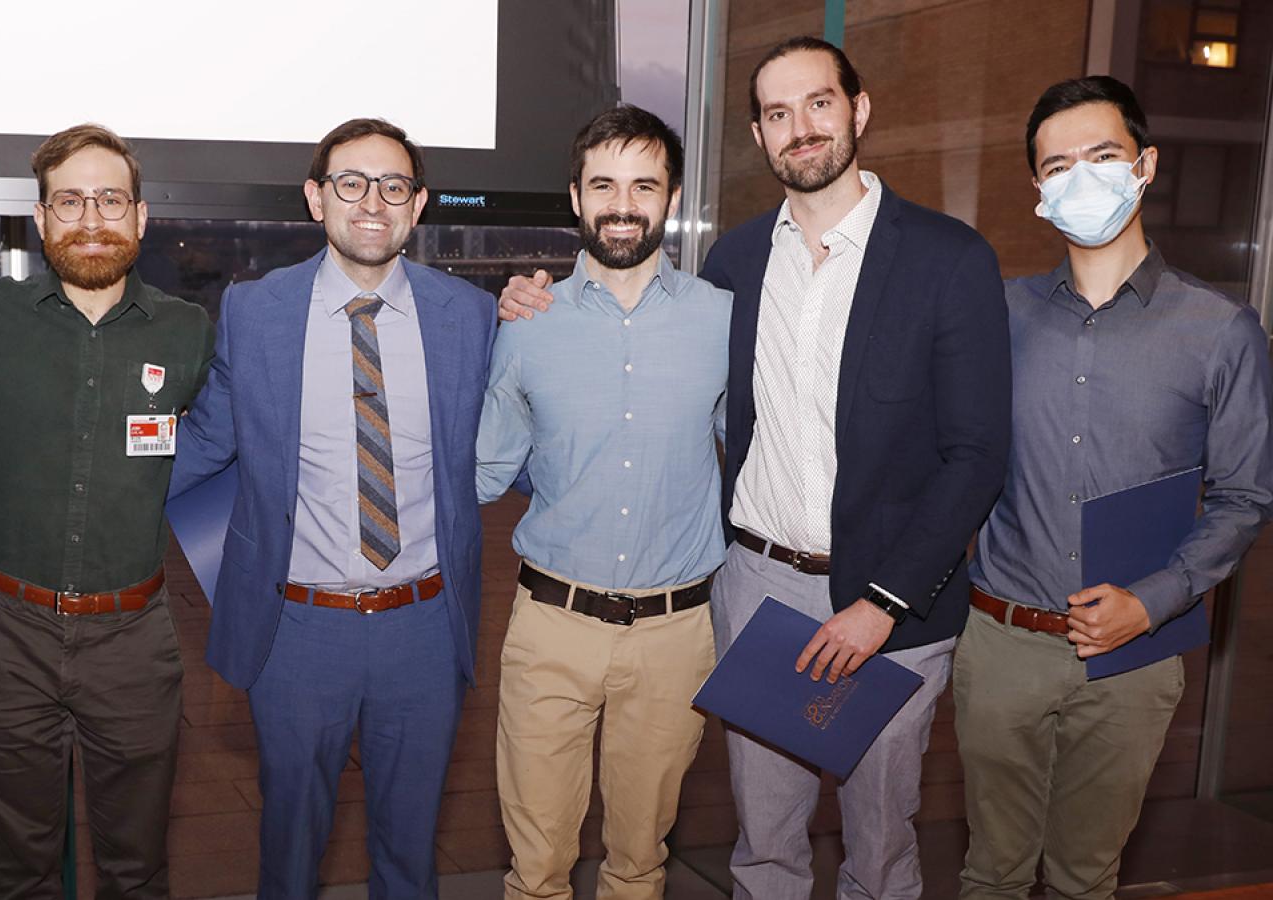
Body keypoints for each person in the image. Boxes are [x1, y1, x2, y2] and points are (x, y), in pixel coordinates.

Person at [499, 36, 1012, 899]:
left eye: (819, 103)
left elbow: (977, 454)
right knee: (764, 846)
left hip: (891, 606)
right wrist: (530, 300)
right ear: (759, 134)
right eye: (779, 113)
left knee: (881, 853)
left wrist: (883, 603)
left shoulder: (948, 258)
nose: (801, 127)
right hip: (756, 598)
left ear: (860, 109)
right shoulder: (735, 266)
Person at [956, 75, 1273, 900]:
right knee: (990, 872)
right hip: (1002, 641)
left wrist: (1157, 597)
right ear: (1037, 190)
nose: (1080, 177)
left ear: (1146, 165)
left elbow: (1245, 496)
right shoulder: (996, 316)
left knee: (1086, 877)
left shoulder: (1219, 330)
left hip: (1136, 652)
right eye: (1057, 166)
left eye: (1101, 155)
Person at [167, 117, 496, 898]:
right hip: (297, 633)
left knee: (410, 854)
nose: (372, 202)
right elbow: (206, 439)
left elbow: (521, 431)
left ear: (417, 205)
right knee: (289, 847)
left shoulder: (472, 317)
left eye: (393, 185)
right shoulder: (255, 311)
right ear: (317, 198)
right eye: (351, 182)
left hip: (424, 624)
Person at [476, 105, 729, 899]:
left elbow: (766, 457)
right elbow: (482, 471)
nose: (624, 203)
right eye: (605, 184)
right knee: (537, 868)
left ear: (672, 197)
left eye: (644, 185)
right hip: (550, 628)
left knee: (639, 862)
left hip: (677, 634)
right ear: (577, 198)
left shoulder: (723, 319)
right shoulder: (526, 324)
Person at [0, 124, 213, 899]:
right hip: (5, 638)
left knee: (137, 870)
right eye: (70, 200)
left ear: (140, 217)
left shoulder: (188, 330)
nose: (91, 218)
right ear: (41, 219)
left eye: (109, 199)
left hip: (134, 642)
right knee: (18, 870)